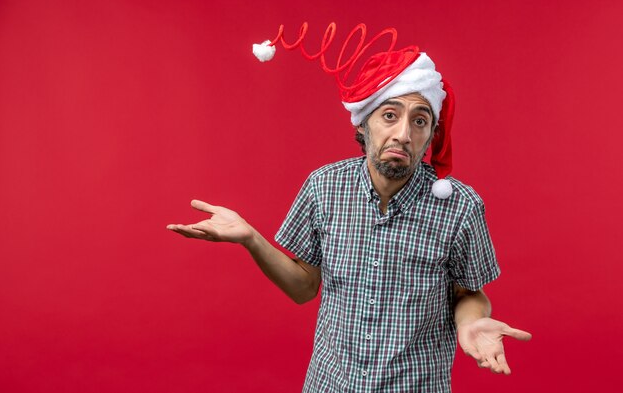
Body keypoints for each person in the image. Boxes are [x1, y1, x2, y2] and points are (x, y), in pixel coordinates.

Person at [167, 23, 531, 392]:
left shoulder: (461, 206)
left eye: (419, 121)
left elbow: (468, 293)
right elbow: (304, 288)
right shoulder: (324, 187)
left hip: (416, 384)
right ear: (364, 122)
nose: (403, 134)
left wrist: (471, 323)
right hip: (331, 383)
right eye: (390, 115)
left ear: (431, 134)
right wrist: (251, 239)